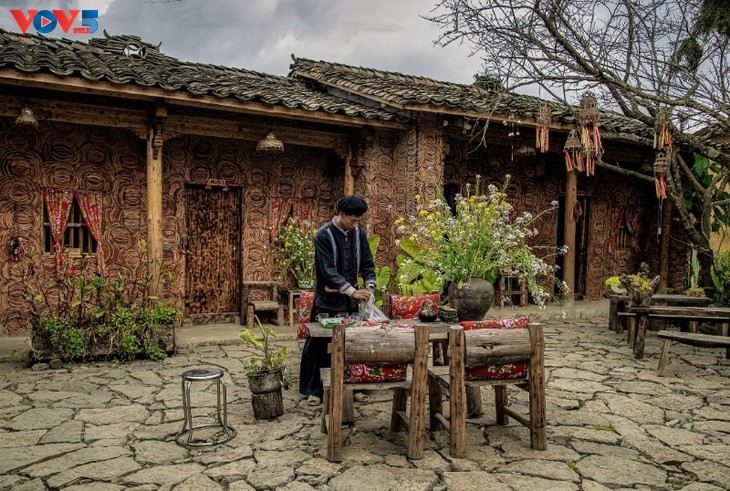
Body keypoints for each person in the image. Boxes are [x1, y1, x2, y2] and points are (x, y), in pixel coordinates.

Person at [299, 195, 377, 406]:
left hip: (350, 302)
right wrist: (352, 291)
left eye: (359, 220)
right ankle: (314, 389)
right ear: (341, 214)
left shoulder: (359, 233)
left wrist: (369, 285)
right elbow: (328, 271)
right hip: (328, 300)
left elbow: (368, 262)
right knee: (318, 344)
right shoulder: (323, 236)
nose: (355, 224)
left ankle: (353, 387)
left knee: (351, 344)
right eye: (352, 220)